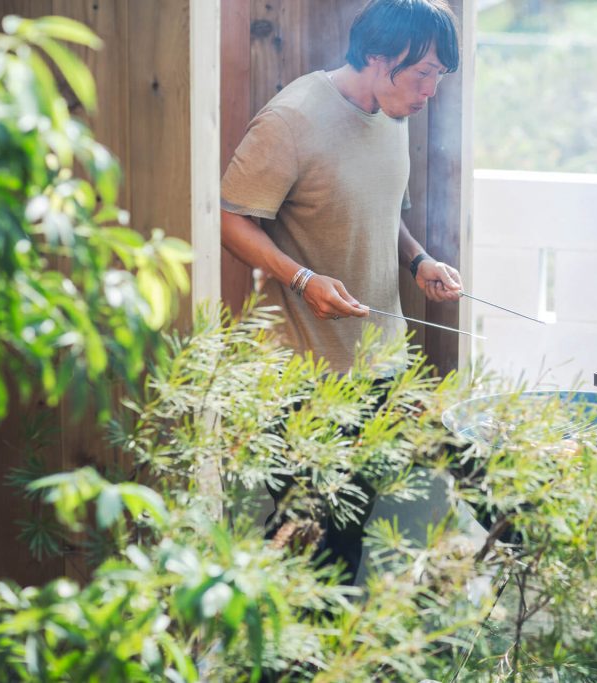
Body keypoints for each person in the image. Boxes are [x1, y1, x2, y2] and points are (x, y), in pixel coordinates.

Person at [219, 0, 465, 583]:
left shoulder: (394, 111)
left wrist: (419, 260)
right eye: (423, 73)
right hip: (306, 376)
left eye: (439, 76)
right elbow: (227, 219)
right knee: (307, 540)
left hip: (380, 364)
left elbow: (380, 208)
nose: (431, 91)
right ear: (379, 57)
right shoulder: (293, 118)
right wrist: (302, 279)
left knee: (351, 534)